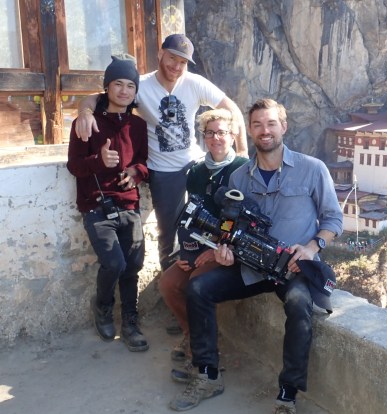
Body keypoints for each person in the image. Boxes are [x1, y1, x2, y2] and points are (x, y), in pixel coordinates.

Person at [168, 98, 343, 414]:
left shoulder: (312, 169)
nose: (265, 131)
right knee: (197, 289)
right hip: (249, 267)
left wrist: (311, 247)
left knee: (300, 303)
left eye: (271, 123)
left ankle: (287, 394)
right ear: (249, 130)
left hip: (292, 267)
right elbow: (230, 229)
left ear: (283, 127)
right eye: (258, 125)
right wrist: (225, 251)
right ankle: (208, 375)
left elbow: (333, 219)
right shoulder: (238, 180)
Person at [75, 33, 248, 271]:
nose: (177, 66)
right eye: (172, 58)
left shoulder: (195, 83)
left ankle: (209, 274)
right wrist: (84, 113)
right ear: (160, 54)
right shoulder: (141, 86)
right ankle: (170, 279)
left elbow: (232, 109)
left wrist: (244, 153)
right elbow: (98, 98)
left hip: (196, 164)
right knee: (169, 233)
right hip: (163, 171)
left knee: (213, 221)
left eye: (183, 62)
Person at [67, 55, 149, 352]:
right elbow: (74, 166)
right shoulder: (85, 122)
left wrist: (135, 173)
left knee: (134, 265)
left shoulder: (138, 126)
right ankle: (102, 306)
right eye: (118, 84)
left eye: (130, 85)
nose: (125, 91)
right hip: (96, 206)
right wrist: (97, 161)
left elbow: (143, 162)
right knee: (114, 262)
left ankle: (129, 320)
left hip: (129, 204)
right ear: (106, 87)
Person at [158, 108, 248, 372]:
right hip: (198, 246)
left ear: (232, 136)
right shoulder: (196, 172)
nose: (215, 138)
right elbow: (190, 215)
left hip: (228, 249)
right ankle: (192, 335)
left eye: (221, 132)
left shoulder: (242, 170)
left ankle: (205, 349)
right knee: (169, 283)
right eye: (209, 133)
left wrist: (218, 249)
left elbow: (244, 220)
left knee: (198, 283)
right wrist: (185, 254)